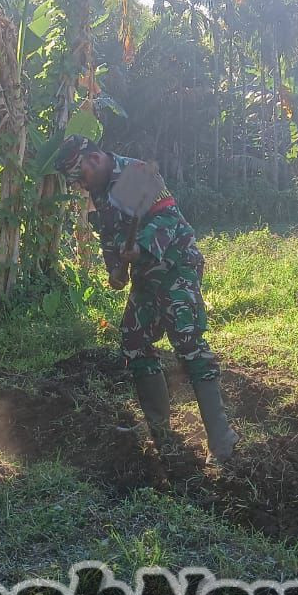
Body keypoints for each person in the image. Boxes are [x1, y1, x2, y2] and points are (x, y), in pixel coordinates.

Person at [54, 136, 239, 464]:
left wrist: (139, 247)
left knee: (187, 342)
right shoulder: (98, 190)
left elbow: (167, 218)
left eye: (78, 176)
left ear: (94, 159)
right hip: (144, 277)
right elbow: (110, 236)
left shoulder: (134, 175)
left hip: (175, 266)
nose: (79, 186)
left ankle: (221, 438)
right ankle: (160, 433)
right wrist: (115, 269)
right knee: (134, 342)